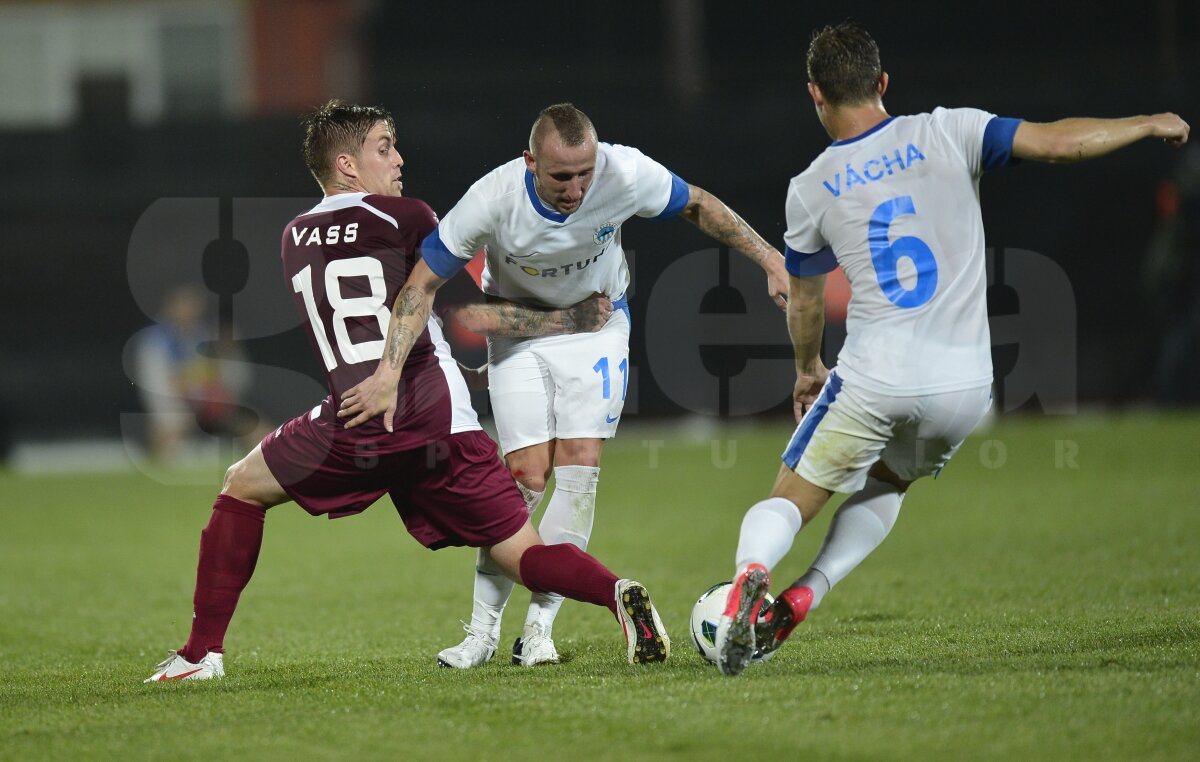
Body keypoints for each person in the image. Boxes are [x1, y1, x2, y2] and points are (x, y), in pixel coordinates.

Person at [714, 22, 1190, 677]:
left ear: (815, 95)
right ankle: (804, 596)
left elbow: (804, 300)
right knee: (889, 483)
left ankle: (749, 579)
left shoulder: (812, 185)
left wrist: (807, 369)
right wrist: (1145, 121)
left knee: (790, 498)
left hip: (876, 375)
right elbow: (1060, 143)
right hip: (965, 389)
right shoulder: (950, 129)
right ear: (882, 84)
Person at [145, 100, 669, 682]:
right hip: (437, 418)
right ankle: (616, 592)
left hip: (354, 418)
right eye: (384, 146)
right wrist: (565, 323)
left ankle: (199, 656)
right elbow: (470, 311)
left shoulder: (294, 237)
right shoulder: (407, 217)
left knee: (241, 488)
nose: (399, 158)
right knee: (521, 554)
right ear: (347, 165)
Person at [339, 103, 790, 668]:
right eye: (560, 177)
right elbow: (421, 285)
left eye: (585, 173)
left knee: (579, 471)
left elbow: (696, 202)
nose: (576, 188)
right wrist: (387, 372)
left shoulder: (623, 172)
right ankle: (481, 632)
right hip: (519, 330)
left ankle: (539, 630)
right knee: (524, 480)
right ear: (530, 163)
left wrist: (770, 258)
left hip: (598, 325)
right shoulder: (492, 199)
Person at [132, 284, 268, 461]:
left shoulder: (209, 335)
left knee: (259, 432)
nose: (188, 312)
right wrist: (177, 416)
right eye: (183, 305)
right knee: (165, 441)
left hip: (213, 406)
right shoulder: (156, 341)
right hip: (177, 408)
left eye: (193, 306)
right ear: (171, 307)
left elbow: (240, 378)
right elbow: (155, 387)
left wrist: (231, 352)